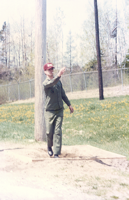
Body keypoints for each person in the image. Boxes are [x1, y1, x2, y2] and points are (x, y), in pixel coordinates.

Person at [43, 63, 74, 158]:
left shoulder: (59, 82)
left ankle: (56, 152)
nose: (51, 71)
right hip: (49, 111)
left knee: (57, 131)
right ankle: (49, 147)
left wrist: (69, 104)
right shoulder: (46, 83)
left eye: (52, 69)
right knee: (49, 132)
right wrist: (59, 75)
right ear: (45, 72)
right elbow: (52, 82)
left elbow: (63, 94)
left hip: (59, 110)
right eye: (49, 69)